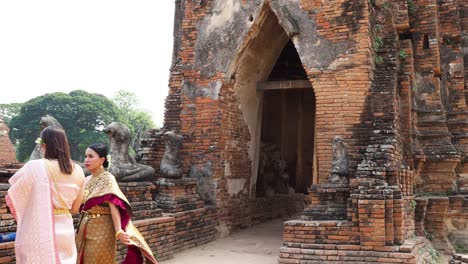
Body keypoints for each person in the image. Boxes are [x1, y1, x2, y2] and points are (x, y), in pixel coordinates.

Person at [6, 126, 86, 264]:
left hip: (40, 232)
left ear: (44, 146)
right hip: (66, 230)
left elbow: (14, 197)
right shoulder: (78, 170)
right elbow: (74, 209)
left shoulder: (34, 167)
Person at [76, 143, 157, 264]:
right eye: (85, 156)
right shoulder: (86, 179)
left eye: (90, 156)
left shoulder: (107, 178)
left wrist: (119, 230)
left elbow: (114, 205)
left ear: (102, 160)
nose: (86, 160)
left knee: (98, 259)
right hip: (84, 227)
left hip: (102, 227)